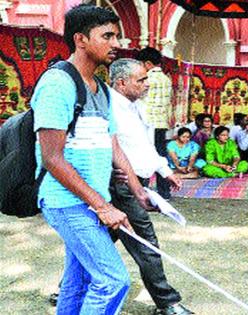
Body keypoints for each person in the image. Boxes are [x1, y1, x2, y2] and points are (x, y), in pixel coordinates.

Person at [31, 4, 151, 313]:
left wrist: (138, 191)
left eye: (117, 36)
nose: (116, 44)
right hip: (67, 202)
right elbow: (52, 158)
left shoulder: (103, 90)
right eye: (107, 36)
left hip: (90, 203)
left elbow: (113, 146)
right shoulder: (58, 84)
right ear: (81, 39)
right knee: (113, 281)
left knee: (78, 280)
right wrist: (102, 206)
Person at [109, 58, 193, 315]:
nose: (148, 85)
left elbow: (145, 147)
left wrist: (165, 172)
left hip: (140, 181)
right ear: (122, 83)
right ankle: (167, 302)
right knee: (146, 242)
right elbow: (108, 149)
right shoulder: (109, 107)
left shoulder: (137, 106)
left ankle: (66, 286)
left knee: (103, 237)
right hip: (123, 185)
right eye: (142, 80)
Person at [136, 47, 172, 199]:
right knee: (161, 155)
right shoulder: (166, 79)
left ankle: (141, 189)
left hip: (147, 123)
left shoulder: (147, 79)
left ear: (148, 64)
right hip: (161, 122)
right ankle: (164, 191)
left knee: (144, 155)